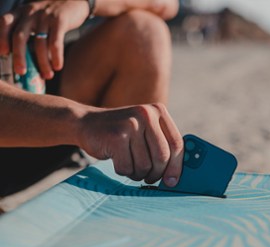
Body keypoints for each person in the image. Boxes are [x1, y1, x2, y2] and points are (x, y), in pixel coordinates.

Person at [0, 0, 184, 196]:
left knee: (144, 31)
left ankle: (132, 186)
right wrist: (81, 122)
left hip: (37, 125)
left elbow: (167, 3)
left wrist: (86, 3)